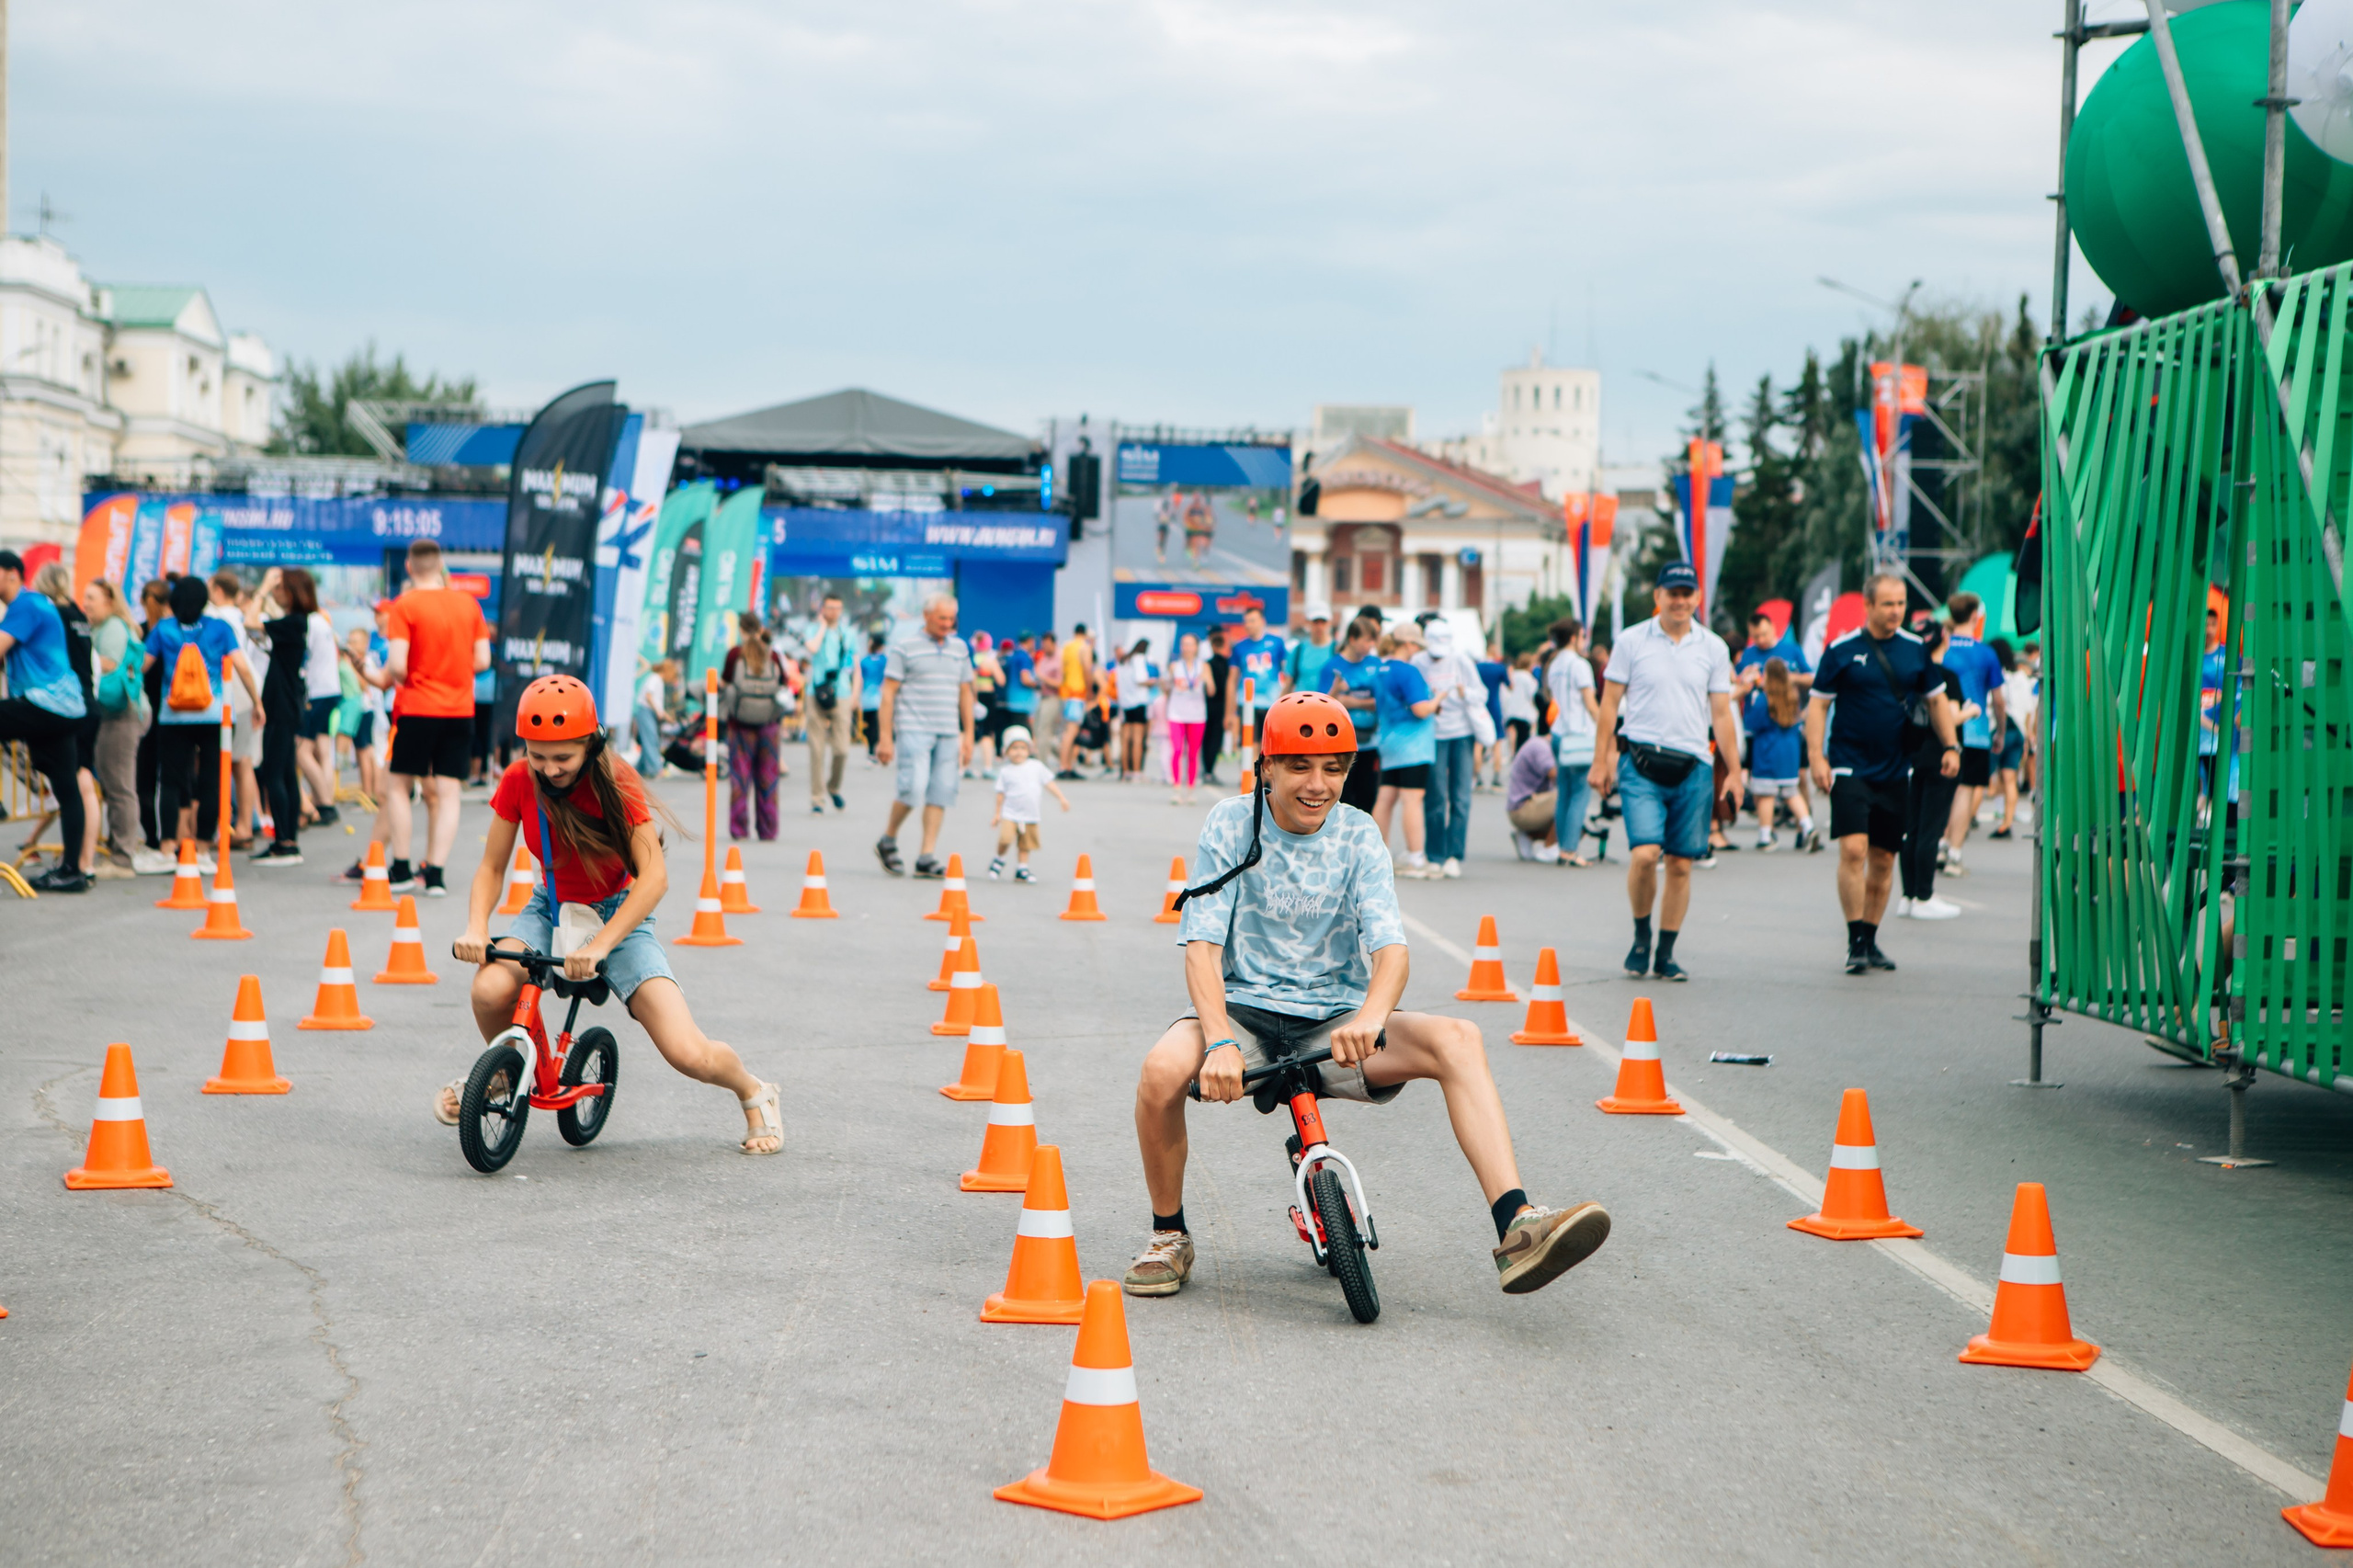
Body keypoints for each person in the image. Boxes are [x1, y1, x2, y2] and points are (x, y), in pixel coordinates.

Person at [1120, 689, 1610, 1301]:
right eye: (1299, 765)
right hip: (1241, 1017)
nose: (1317, 784)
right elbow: (1202, 947)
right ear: (1265, 765)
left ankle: (1517, 1226)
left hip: (1335, 1023)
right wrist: (1218, 1039)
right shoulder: (1229, 822)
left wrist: (1373, 1016)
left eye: (1334, 768)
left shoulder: (1358, 834)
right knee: (1160, 1070)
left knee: (1459, 1038)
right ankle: (1169, 1235)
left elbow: (1391, 950)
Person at [436, 676, 781, 1155]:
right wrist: (476, 927)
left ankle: (753, 1090)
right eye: (537, 755)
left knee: (688, 1052)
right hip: (553, 908)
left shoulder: (617, 782)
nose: (549, 769)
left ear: (589, 744)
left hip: (621, 915)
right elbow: (492, 866)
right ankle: (506, 1069)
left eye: (562, 758)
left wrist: (601, 945)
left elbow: (654, 879)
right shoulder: (519, 780)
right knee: (490, 985)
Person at [1586, 563, 1744, 982]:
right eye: (1672, 592)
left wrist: (1735, 771)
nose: (1680, 600)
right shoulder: (1632, 640)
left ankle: (1666, 952)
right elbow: (1609, 703)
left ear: (1697, 597)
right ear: (1657, 596)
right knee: (1644, 855)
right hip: (1640, 762)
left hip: (1694, 766)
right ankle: (1641, 936)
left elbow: (1722, 713)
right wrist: (1600, 760)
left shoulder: (1712, 647)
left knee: (1680, 864)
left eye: (1687, 593)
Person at [1805, 574, 1961, 973]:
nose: (1896, 611)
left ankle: (1871, 939)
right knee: (1854, 849)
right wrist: (1816, 758)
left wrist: (1950, 745)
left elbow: (1937, 700)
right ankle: (1855, 939)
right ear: (1869, 606)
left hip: (1896, 767)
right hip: (1848, 763)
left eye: (1901, 604)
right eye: (1888, 604)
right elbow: (1819, 706)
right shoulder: (1841, 650)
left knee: (1883, 858)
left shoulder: (1915, 650)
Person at [346, 540, 492, 896]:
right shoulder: (469, 605)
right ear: (441, 566)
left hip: (417, 707)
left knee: (397, 786)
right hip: (459, 709)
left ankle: (401, 868)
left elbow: (396, 666)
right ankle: (436, 873)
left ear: (409, 567)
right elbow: (483, 661)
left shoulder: (405, 605)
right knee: (449, 791)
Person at [142, 572, 261, 868]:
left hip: (174, 717)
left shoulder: (163, 629)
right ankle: (205, 849)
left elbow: (141, 666)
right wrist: (257, 702)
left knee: (170, 782)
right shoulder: (219, 628)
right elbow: (243, 668)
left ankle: (168, 849)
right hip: (215, 717)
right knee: (212, 782)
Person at [0, 552, 95, 891]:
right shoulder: (36, 604)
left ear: (12, 574)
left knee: (67, 787)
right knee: (67, 788)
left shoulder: (25, 605)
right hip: (65, 708)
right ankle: (72, 871)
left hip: (47, 704)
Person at [874, 593, 975, 879]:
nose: (947, 624)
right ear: (926, 616)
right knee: (913, 788)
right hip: (914, 727)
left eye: (951, 619)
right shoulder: (904, 648)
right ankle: (888, 838)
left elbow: (966, 692)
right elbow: (889, 693)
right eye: (942, 618)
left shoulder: (960, 648)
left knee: (941, 792)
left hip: (947, 731)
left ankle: (926, 855)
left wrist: (968, 735)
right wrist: (885, 737)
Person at [1894, 622, 1967, 922]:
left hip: (1910, 755)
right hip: (1939, 754)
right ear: (1945, 638)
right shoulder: (1944, 675)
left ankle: (1909, 895)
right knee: (1930, 828)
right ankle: (1924, 895)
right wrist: (1972, 712)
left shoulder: (1908, 674)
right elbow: (1948, 715)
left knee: (1911, 829)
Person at [249, 566, 322, 863]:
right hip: (287, 702)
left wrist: (263, 587)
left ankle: (284, 842)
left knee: (274, 772)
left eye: (281, 588)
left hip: (281, 703)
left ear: (292, 592)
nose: (277, 593)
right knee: (286, 773)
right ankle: (287, 840)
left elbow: (249, 621)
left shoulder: (294, 622)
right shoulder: (296, 622)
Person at [1732, 609, 1815, 850]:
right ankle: (1806, 826)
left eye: (1764, 634)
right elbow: (1737, 682)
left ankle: (1770, 834)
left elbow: (1811, 678)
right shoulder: (1748, 654)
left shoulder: (1791, 650)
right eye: (1755, 636)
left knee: (1770, 787)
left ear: (1773, 629)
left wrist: (1789, 680)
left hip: (1769, 741)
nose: (1761, 640)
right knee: (1788, 786)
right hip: (1787, 731)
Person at [1937, 592, 2006, 876]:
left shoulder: (1943, 650)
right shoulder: (1985, 653)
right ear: (1976, 615)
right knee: (1965, 791)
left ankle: (1940, 843)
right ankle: (1954, 852)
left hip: (1941, 730)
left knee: (1942, 788)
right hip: (1974, 731)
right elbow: (1998, 700)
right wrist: (2000, 730)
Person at [83, 577, 149, 875]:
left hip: (121, 714)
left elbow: (107, 664)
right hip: (121, 712)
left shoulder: (111, 628)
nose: (86, 604)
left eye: (91, 598)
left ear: (109, 601)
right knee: (116, 783)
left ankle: (122, 858)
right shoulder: (112, 626)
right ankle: (120, 848)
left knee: (120, 785)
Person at [1413, 617, 1486, 878]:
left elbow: (1482, 694)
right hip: (1432, 735)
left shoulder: (1461, 661)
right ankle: (1435, 854)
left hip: (1462, 733)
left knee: (1461, 796)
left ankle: (1454, 854)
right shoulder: (1418, 662)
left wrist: (1464, 692)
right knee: (1435, 796)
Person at [1371, 621, 1442, 878]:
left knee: (1386, 797)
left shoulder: (1380, 669)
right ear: (1409, 644)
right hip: (1413, 745)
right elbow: (1420, 709)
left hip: (1388, 741)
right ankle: (1416, 857)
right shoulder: (1408, 672)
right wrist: (1437, 700)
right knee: (1412, 800)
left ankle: (1380, 852)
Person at [279, 568, 344, 830]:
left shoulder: (306, 622)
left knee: (302, 751)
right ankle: (322, 800)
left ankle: (325, 804)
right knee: (322, 750)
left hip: (316, 692)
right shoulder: (320, 620)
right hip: (329, 690)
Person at [721, 619, 787, 841]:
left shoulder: (735, 654)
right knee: (768, 779)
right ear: (760, 629)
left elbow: (725, 684)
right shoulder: (774, 655)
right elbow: (784, 687)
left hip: (740, 726)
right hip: (769, 726)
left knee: (740, 779)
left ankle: (739, 830)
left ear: (741, 629)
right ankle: (768, 830)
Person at [1544, 619, 1599, 867]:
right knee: (1579, 794)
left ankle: (1561, 848)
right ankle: (1570, 849)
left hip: (1559, 732)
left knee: (1564, 793)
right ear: (1575, 637)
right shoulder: (1579, 665)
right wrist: (1605, 730)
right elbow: (1589, 702)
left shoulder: (1553, 664)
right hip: (1579, 734)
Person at [986, 724, 1071, 881]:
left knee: (1026, 844)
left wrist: (1061, 798)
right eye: (1014, 748)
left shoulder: (1036, 767)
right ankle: (999, 858)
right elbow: (1000, 794)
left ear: (1029, 750)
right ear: (1006, 751)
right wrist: (997, 814)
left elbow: (1049, 783)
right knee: (1005, 838)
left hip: (1030, 814)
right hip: (1010, 813)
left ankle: (1022, 868)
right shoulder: (1005, 771)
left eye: (1023, 748)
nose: (1019, 752)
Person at [1746, 657, 1810, 852]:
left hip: (1767, 752)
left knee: (1765, 794)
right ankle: (1808, 826)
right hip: (1790, 753)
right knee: (1791, 792)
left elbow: (1752, 724)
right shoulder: (1792, 697)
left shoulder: (1764, 699)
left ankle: (1766, 836)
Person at [1324, 615, 1384, 812]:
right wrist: (1335, 691)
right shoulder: (1332, 666)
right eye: (1367, 640)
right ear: (1352, 639)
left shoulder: (1376, 665)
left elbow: (1383, 701)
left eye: (1373, 640)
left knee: (1368, 798)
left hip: (1371, 744)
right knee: (1343, 799)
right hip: (1342, 747)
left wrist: (1352, 702)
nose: (1371, 645)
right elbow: (1323, 706)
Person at [131, 577, 171, 863]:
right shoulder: (173, 631)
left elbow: (135, 670)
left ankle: (155, 837)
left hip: (148, 712)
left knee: (146, 777)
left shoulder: (145, 633)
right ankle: (170, 837)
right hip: (171, 711)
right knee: (169, 778)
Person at [1222, 605, 1284, 756]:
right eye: (1246, 621)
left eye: (1252, 621)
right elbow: (1232, 680)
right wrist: (1229, 713)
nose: (1248, 625)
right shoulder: (1240, 647)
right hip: (1247, 702)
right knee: (1249, 744)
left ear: (1262, 621)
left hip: (1271, 702)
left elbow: (1286, 673)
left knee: (1270, 745)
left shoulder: (1276, 643)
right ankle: (1250, 777)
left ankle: (1266, 779)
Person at [1993, 638, 2034, 838]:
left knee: (1976, 781)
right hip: (2018, 731)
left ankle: (1966, 820)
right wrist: (2027, 737)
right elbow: (2028, 710)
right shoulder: (2020, 678)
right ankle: (2006, 823)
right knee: (2010, 778)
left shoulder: (1995, 675)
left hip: (1999, 730)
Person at [1164, 631, 1210, 804]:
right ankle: (1176, 787)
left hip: (1197, 714)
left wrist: (1207, 679)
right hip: (1176, 713)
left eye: (1191, 644)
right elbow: (1167, 689)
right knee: (1176, 750)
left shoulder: (1204, 666)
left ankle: (1190, 789)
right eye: (1184, 644)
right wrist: (1166, 683)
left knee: (1193, 753)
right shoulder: (1174, 666)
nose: (1187, 648)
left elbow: (1211, 690)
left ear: (1197, 647)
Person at [1505, 725, 1563, 862]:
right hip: (1521, 808)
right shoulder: (1541, 747)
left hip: (1526, 805)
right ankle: (1549, 847)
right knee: (1566, 800)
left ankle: (1527, 836)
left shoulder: (1541, 744)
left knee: (1580, 824)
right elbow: (1555, 774)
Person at [1117, 637, 1158, 780]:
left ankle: (1125, 771)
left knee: (1125, 739)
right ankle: (1136, 771)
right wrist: (1153, 682)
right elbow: (1140, 679)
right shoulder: (1139, 659)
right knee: (1138, 739)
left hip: (1125, 703)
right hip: (1138, 702)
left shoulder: (1124, 660)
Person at [1280, 604, 1336, 699]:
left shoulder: (1337, 650)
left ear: (1329, 623)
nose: (1319, 626)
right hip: (1302, 705)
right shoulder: (1298, 650)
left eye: (1323, 622)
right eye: (1315, 622)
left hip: (1327, 706)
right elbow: (1288, 684)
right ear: (1308, 623)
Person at [1476, 642, 1509, 788]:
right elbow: (1510, 685)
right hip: (1494, 706)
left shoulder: (1477, 667)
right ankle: (1496, 776)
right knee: (1497, 743)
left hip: (1480, 707)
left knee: (1478, 743)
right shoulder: (1499, 668)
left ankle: (1478, 777)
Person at [1201, 626, 1232, 785]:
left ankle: (1206, 770)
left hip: (1207, 706)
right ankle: (1209, 770)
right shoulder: (1228, 665)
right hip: (1222, 706)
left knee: (1206, 739)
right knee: (1216, 739)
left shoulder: (1207, 664)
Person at [633, 659, 671, 777]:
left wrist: (666, 716)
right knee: (651, 739)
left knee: (648, 740)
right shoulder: (655, 679)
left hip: (648, 711)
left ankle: (640, 769)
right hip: (646, 711)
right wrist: (658, 712)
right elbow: (648, 696)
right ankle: (655, 768)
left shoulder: (656, 679)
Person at [1501, 651, 1539, 766]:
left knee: (1513, 735)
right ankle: (1521, 761)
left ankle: (1513, 756)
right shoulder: (1529, 678)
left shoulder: (1513, 675)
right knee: (1523, 741)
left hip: (1511, 710)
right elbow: (1532, 695)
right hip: (1524, 713)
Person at [858, 633, 887, 758]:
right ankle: (876, 750)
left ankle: (871, 751)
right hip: (880, 697)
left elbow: (860, 680)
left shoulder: (864, 661)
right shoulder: (884, 660)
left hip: (866, 698)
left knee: (869, 725)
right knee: (878, 725)